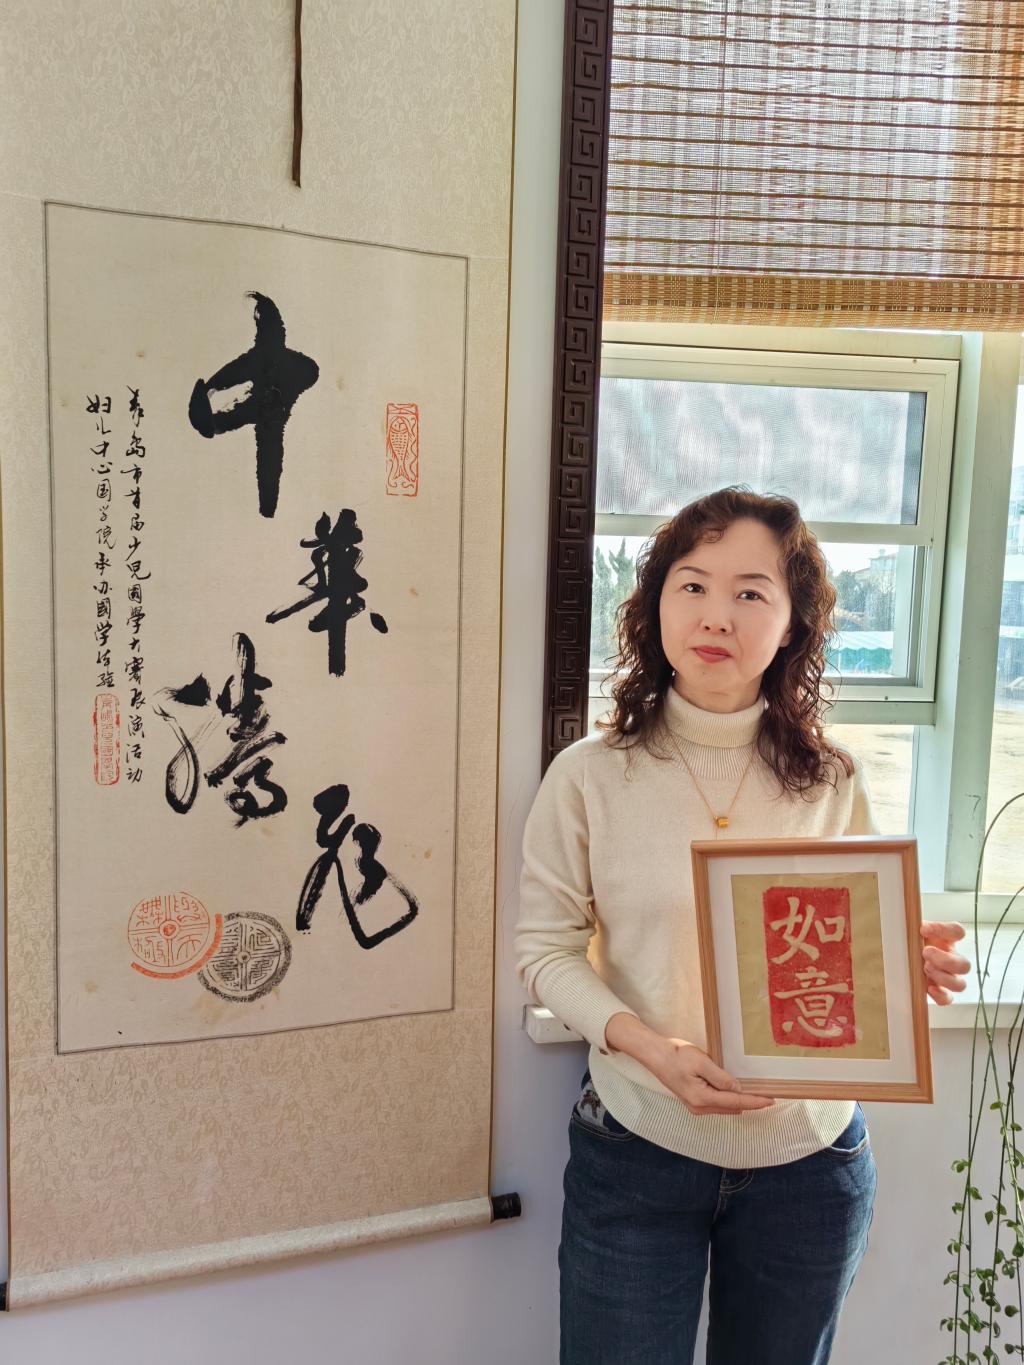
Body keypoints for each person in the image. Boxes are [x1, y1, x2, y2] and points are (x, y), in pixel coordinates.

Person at [514, 487, 971, 1365]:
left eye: (751, 592)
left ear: (793, 623)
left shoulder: (831, 778)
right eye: (692, 584)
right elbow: (544, 949)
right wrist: (651, 1048)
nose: (715, 614)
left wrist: (890, 958)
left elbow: (842, 940)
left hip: (809, 1160)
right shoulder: (590, 775)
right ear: (655, 604)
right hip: (640, 1142)